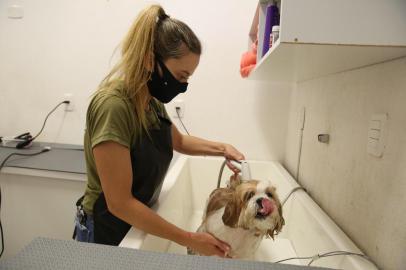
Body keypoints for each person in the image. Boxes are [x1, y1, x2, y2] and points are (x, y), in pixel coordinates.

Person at [73, 4, 245, 258]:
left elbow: (180, 141)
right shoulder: (114, 106)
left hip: (134, 220)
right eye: (180, 75)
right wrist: (189, 239)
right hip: (105, 227)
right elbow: (119, 202)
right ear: (149, 60)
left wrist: (223, 149)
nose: (183, 85)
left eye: (188, 78)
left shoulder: (151, 102)